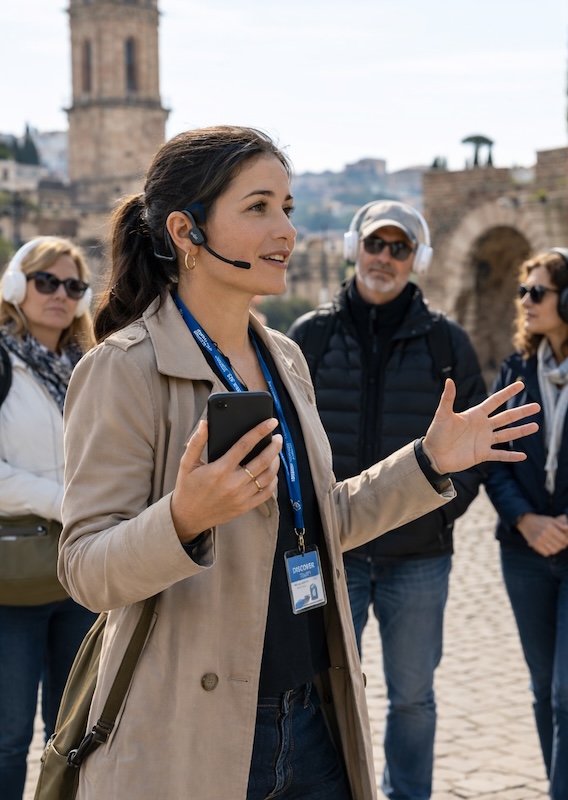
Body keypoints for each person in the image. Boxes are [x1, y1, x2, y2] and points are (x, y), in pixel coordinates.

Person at [57, 126, 539, 800]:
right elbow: (83, 567)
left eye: (286, 205)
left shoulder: (285, 357)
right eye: (258, 207)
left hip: (313, 716)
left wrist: (427, 462)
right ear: (187, 233)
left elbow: (324, 520)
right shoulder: (123, 370)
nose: (285, 228)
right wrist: (185, 518)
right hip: (197, 730)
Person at [288, 200, 487, 800]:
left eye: (400, 248)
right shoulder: (309, 337)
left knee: (413, 699)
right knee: (315, 690)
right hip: (334, 553)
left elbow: (474, 447)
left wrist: (440, 513)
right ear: (356, 247)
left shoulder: (446, 343)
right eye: (377, 244)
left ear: (416, 260)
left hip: (418, 559)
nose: (385, 258)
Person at [486, 248, 568, 800]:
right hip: (524, 551)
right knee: (543, 688)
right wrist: (526, 521)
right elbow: (493, 456)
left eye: (539, 292)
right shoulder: (516, 369)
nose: (525, 302)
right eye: (523, 292)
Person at [0, 236, 96, 800]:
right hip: (15, 578)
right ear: (17, 286)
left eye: (73, 286)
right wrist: (64, 500)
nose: (59, 295)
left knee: (74, 733)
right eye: (46, 281)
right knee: (9, 737)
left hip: (80, 572)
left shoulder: (89, 370)